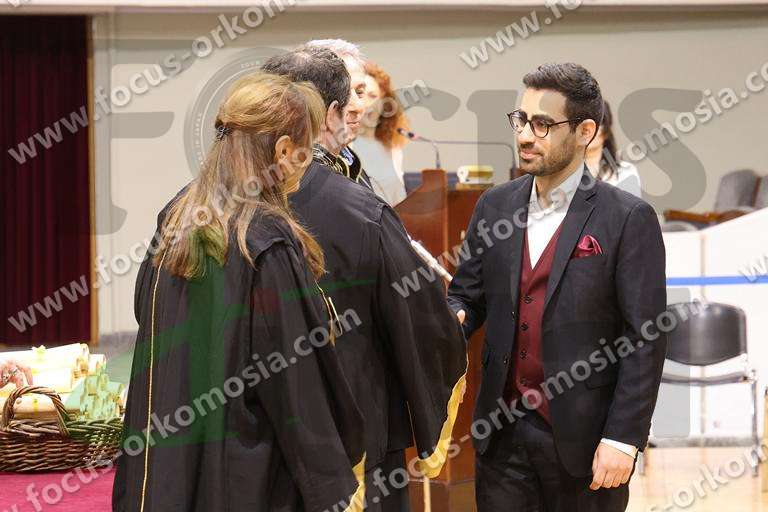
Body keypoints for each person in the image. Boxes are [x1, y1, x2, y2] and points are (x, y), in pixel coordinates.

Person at [113, 73, 366, 512]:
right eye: (306, 151)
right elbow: (295, 383)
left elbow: (144, 315)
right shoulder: (265, 243)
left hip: (159, 468)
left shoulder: (176, 217)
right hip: (239, 479)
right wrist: (332, 485)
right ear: (283, 151)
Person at [447, 63, 667, 511]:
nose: (526, 136)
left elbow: (645, 336)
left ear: (586, 131)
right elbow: (466, 295)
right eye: (521, 120)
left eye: (543, 124)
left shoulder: (627, 218)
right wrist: (453, 316)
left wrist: (623, 438)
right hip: (501, 438)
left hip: (587, 442)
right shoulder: (494, 206)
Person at [262, 48, 467, 512]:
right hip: (351, 397)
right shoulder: (344, 200)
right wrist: (445, 325)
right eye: (348, 93)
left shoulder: (342, 174)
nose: (358, 107)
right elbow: (406, 301)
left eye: (362, 92)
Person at [302, 39, 375, 191]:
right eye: (343, 93)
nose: (358, 107)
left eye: (360, 92)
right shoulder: (295, 172)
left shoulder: (351, 162)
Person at [352, 60, 409, 206]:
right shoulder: (346, 146)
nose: (368, 103)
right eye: (361, 95)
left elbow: (399, 197)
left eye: (373, 96)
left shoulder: (393, 147)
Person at [585, 100, 642, 198]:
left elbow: (631, 207)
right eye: (583, 123)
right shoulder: (565, 172)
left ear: (606, 131)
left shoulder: (625, 172)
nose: (587, 131)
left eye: (595, 124)